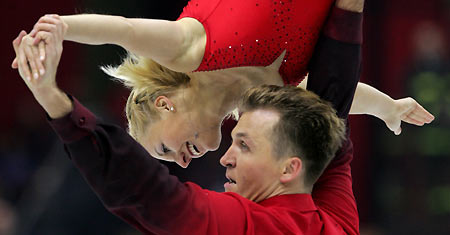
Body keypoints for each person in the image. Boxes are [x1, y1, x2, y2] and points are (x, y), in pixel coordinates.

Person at [13, 26, 358, 233]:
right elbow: (333, 116)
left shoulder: (243, 224)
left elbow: (144, 189)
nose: (226, 158)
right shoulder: (337, 224)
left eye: (245, 145)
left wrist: (52, 99)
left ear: (290, 168)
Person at [12, 0, 434, 167]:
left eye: (164, 148)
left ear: (164, 104)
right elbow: (336, 93)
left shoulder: (189, 48)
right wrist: (389, 108)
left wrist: (59, 28)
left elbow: (121, 29)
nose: (181, 161)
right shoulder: (263, 103)